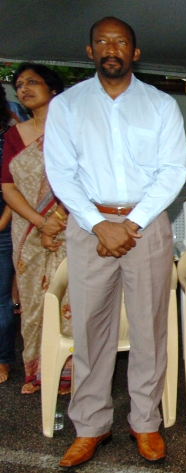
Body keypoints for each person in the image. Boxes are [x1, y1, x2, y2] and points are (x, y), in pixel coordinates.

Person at [45, 17, 186, 467]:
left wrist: (132, 222)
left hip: (146, 227)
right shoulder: (67, 106)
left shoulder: (161, 105)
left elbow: (172, 172)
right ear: (89, 52)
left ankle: (145, 422)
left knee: (149, 328)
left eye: (120, 42)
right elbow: (61, 173)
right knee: (90, 331)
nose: (111, 48)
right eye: (102, 42)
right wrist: (98, 222)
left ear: (135, 53)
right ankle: (90, 426)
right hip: (89, 228)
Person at [1, 63, 71, 395]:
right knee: (32, 300)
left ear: (52, 89)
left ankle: (68, 372)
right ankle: (36, 372)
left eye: (33, 82)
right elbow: (7, 186)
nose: (24, 88)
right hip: (27, 228)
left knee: (68, 298)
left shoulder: (71, 131)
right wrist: (40, 221)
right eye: (19, 84)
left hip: (69, 226)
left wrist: (57, 218)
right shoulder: (14, 135)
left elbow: (80, 178)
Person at [0, 84, 18, 385]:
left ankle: (2, 360)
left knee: (1, 299)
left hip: (2, 228)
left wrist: (2, 223)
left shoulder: (6, 140)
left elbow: (10, 187)